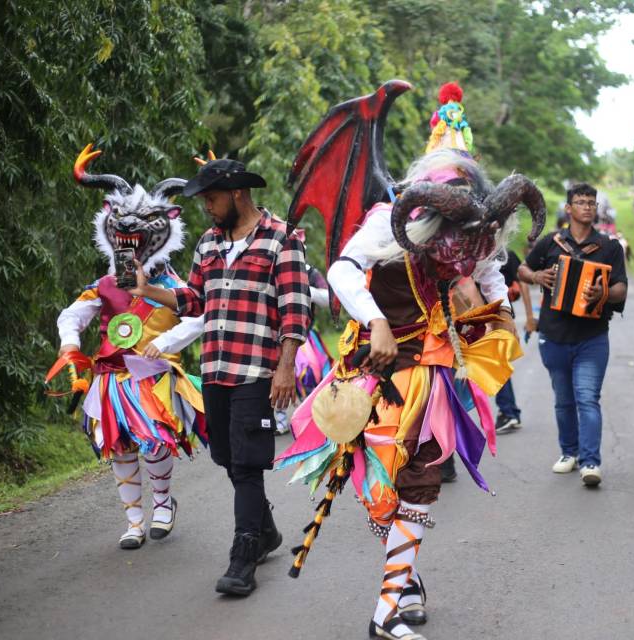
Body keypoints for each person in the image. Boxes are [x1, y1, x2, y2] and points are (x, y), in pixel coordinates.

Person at [277, 82, 546, 640]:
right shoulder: (387, 218)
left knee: (421, 481)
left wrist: (491, 336)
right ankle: (406, 577)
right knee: (377, 490)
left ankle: (387, 610)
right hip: (371, 371)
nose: (467, 251)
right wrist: (375, 319)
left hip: (432, 373)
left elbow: (490, 277)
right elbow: (344, 271)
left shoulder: (477, 234)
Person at [130, 156, 311, 596]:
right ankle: (265, 530)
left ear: (236, 194)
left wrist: (284, 367)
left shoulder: (281, 238)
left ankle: (244, 555)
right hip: (214, 367)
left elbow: (295, 308)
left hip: (256, 370)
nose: (206, 208)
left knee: (247, 465)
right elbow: (195, 298)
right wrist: (148, 290)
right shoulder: (209, 244)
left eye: (211, 198)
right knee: (229, 459)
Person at [55, 145, 206, 549]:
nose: (131, 233)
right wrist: (70, 347)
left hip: (153, 379)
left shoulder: (173, 285)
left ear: (166, 225)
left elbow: (201, 315)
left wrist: (167, 341)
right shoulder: (104, 285)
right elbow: (71, 316)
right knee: (119, 446)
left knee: (155, 441)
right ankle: (134, 520)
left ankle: (161, 505)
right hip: (112, 379)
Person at [518, 182, 628, 487]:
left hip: (592, 336)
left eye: (591, 203)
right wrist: (538, 275)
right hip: (553, 335)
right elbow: (523, 271)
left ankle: (590, 461)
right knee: (563, 400)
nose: (587, 207)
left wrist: (602, 292)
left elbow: (621, 288)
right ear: (568, 209)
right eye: (580, 202)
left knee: (587, 398)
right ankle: (569, 453)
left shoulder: (609, 247)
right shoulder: (551, 243)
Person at [494, 248, 535, 434]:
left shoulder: (505, 254)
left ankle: (508, 412)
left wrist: (530, 317)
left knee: (497, 365)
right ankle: (509, 411)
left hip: (499, 318)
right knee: (495, 366)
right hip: (474, 317)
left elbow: (523, 283)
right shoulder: (470, 249)